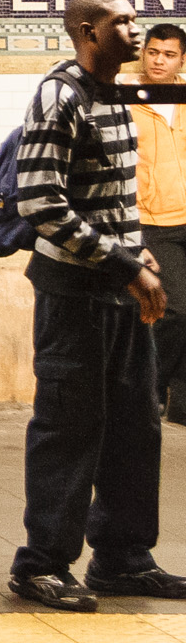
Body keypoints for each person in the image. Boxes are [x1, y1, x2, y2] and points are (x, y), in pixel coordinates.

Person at [8, 0, 186, 610]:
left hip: (120, 290)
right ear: (88, 31)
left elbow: (114, 197)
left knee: (136, 426)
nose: (136, 31)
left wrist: (138, 252)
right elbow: (40, 204)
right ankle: (40, 566)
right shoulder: (60, 96)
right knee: (69, 427)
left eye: (135, 19)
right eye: (123, 22)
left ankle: (122, 559)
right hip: (74, 295)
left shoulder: (115, 95)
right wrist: (123, 262)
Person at [130, 23, 186, 426]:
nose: (159, 61)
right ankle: (147, 394)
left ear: (182, 59)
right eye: (153, 52)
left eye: (168, 55)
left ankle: (181, 403)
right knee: (174, 310)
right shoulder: (127, 99)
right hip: (154, 222)